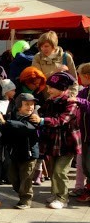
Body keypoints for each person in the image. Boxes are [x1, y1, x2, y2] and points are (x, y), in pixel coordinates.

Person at [38, 71, 80, 209]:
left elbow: (63, 120)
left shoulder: (71, 102)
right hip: (53, 142)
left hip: (67, 143)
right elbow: (41, 113)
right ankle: (55, 193)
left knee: (60, 171)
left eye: (51, 87)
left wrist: (43, 120)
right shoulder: (50, 101)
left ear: (62, 88)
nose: (48, 90)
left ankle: (62, 198)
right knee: (53, 170)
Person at [0, 93, 40, 209]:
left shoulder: (33, 117)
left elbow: (26, 127)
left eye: (32, 104)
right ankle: (21, 192)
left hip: (29, 154)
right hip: (14, 153)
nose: (30, 107)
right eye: (27, 104)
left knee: (26, 178)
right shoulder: (11, 116)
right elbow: (6, 132)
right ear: (18, 106)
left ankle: (25, 200)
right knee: (13, 177)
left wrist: (7, 123)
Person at [32, 30, 78, 96]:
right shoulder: (37, 58)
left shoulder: (66, 57)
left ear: (54, 45)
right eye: (41, 47)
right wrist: (56, 71)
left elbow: (74, 81)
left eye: (46, 46)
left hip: (65, 98)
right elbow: (38, 80)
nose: (43, 49)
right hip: (46, 98)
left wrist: (72, 96)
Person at [69, 63, 90, 201]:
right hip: (85, 134)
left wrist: (79, 100)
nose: (79, 79)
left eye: (80, 76)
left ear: (87, 76)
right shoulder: (85, 90)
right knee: (86, 165)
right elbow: (77, 98)